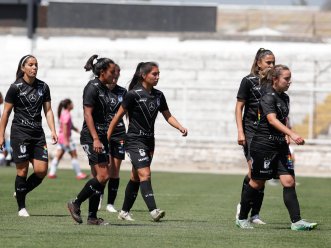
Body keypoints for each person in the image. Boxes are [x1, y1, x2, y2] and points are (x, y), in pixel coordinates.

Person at [236, 64, 317, 231]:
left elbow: (283, 118)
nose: (289, 82)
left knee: (289, 181)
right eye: (286, 79)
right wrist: (292, 134)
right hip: (264, 146)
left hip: (280, 146)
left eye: (290, 78)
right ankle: (242, 218)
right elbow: (272, 120)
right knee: (257, 183)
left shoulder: (285, 98)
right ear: (275, 79)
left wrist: (286, 134)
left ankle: (297, 222)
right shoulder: (267, 97)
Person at [107, 62, 188, 222]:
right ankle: (153, 210)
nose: (157, 77)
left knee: (136, 177)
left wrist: (180, 127)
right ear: (144, 75)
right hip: (134, 141)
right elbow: (117, 117)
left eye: (158, 74)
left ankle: (124, 211)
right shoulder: (132, 94)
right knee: (145, 174)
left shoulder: (159, 95)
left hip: (150, 141)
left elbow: (167, 115)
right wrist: (107, 137)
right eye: (154, 74)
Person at [0, 54, 58, 217]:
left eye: (36, 65)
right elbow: (6, 113)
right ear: (22, 68)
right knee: (22, 171)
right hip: (20, 134)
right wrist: (1, 136)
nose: (34, 68)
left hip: (38, 135)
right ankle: (21, 207)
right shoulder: (15, 87)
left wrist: (53, 130)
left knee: (41, 171)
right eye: (31, 65)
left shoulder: (43, 87)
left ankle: (21, 190)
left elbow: (48, 111)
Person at [67, 55, 116, 225]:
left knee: (99, 177)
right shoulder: (92, 87)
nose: (114, 74)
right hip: (91, 137)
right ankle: (76, 203)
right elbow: (87, 114)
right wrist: (95, 138)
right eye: (112, 71)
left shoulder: (104, 87)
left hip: (101, 137)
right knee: (103, 175)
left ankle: (92, 217)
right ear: (102, 72)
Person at [235, 48, 275, 224]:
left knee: (262, 175)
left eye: (273, 62)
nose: (271, 65)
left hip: (268, 133)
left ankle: (255, 215)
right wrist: (240, 131)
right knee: (255, 173)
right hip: (251, 132)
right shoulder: (248, 81)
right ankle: (243, 209)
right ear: (259, 63)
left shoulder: (273, 82)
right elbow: (238, 107)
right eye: (268, 62)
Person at [98, 64, 127, 213]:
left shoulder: (123, 92)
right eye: (114, 73)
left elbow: (128, 114)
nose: (116, 76)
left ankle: (110, 203)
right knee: (104, 170)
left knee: (115, 171)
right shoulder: (99, 89)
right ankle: (99, 194)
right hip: (103, 133)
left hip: (119, 133)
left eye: (118, 74)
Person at [48, 99, 88, 179]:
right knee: (74, 155)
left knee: (58, 156)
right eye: (72, 103)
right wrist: (66, 141)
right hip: (66, 138)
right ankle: (79, 174)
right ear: (68, 105)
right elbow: (65, 127)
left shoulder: (64, 113)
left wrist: (77, 130)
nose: (73, 105)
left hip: (61, 138)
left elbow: (69, 126)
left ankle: (51, 173)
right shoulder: (67, 114)